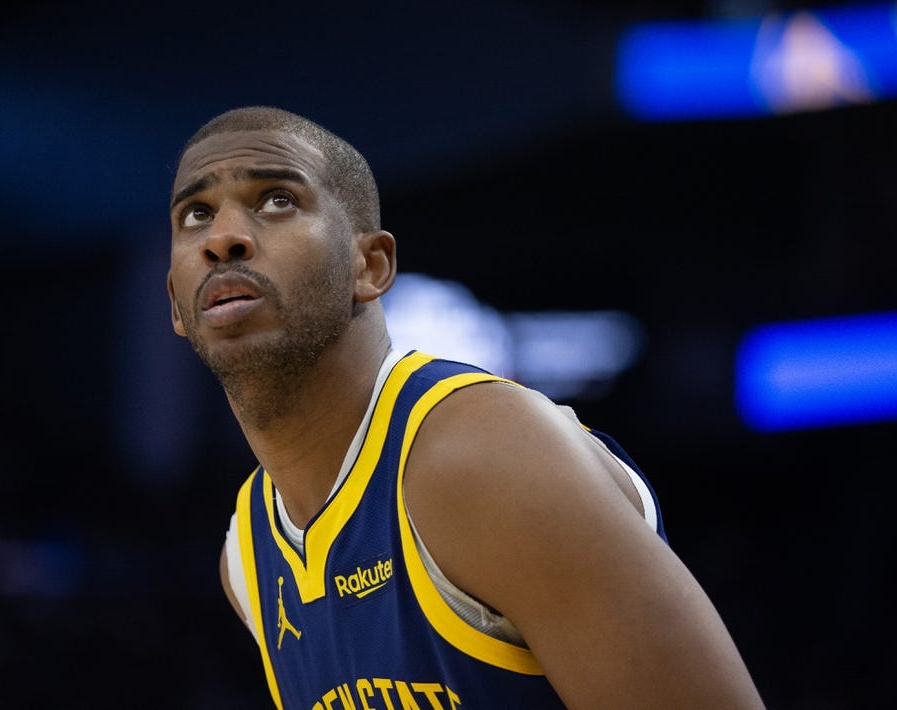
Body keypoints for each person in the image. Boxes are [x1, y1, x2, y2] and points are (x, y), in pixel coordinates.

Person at [166, 105, 765, 709]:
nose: (223, 238)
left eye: (276, 200)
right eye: (197, 214)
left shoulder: (484, 457)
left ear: (368, 266)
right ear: (175, 305)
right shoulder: (246, 556)